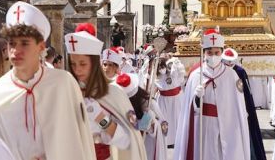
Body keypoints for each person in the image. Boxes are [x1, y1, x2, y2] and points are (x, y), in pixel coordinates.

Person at [0, 1, 95, 159]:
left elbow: (79, 139)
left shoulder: (63, 84)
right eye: (12, 43)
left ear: (41, 47)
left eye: (25, 43)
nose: (16, 51)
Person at [65, 23, 147, 160]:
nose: (77, 69)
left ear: (95, 63)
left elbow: (128, 141)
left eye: (83, 64)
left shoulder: (113, 93)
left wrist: (101, 119)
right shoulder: (65, 91)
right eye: (73, 64)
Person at [173, 28, 250, 160]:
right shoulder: (196, 75)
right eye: (210, 52)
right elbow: (189, 109)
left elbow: (238, 106)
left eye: (216, 52)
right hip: (203, 124)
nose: (213, 56)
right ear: (204, 53)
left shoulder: (231, 75)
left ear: (221, 52)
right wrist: (197, 97)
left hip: (227, 124)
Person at [222, 48, 267, 160]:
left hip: (239, 107)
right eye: (227, 61)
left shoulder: (240, 71)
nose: (229, 63)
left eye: (231, 61)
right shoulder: (220, 70)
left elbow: (246, 92)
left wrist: (246, 109)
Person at [114, 73, 165, 160]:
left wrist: (149, 120)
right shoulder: (118, 103)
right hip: (129, 144)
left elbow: (161, 125)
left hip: (147, 144)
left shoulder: (148, 104)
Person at [155, 55, 185, 148]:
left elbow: (181, 78)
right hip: (163, 99)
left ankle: (177, 139)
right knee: (164, 119)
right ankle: (165, 140)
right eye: (160, 67)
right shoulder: (156, 73)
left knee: (176, 118)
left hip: (176, 99)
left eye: (163, 66)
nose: (161, 69)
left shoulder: (174, 69)